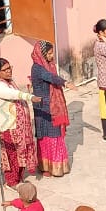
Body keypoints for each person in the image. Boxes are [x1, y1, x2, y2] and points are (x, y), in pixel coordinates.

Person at [0, 56, 40, 187]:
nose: (9, 71)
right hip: (10, 126)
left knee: (22, 151)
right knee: (12, 154)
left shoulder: (9, 81)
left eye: (9, 68)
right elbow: (13, 94)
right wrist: (30, 97)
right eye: (5, 70)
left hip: (21, 126)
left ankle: (19, 177)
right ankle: (11, 182)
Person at [30, 40, 73, 176]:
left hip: (53, 105)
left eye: (52, 52)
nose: (51, 55)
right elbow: (49, 77)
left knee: (56, 135)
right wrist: (65, 82)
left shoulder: (50, 65)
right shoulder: (37, 67)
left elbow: (52, 75)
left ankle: (58, 166)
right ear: (41, 54)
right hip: (43, 106)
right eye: (49, 53)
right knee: (46, 136)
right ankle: (46, 167)